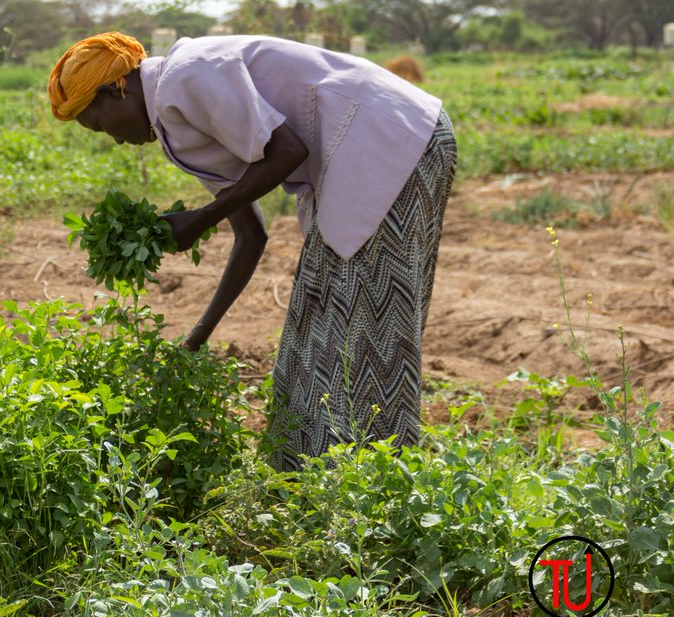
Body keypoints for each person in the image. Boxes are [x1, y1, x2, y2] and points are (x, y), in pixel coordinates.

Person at [48, 32, 457, 471]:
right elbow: (250, 233)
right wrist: (196, 338)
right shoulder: (174, 123)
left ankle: (379, 481)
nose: (111, 138)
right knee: (313, 321)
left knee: (365, 324)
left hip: (392, 138)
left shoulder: (186, 78)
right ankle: (304, 477)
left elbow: (287, 151)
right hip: (360, 153)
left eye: (98, 124)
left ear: (116, 90)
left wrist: (200, 218)